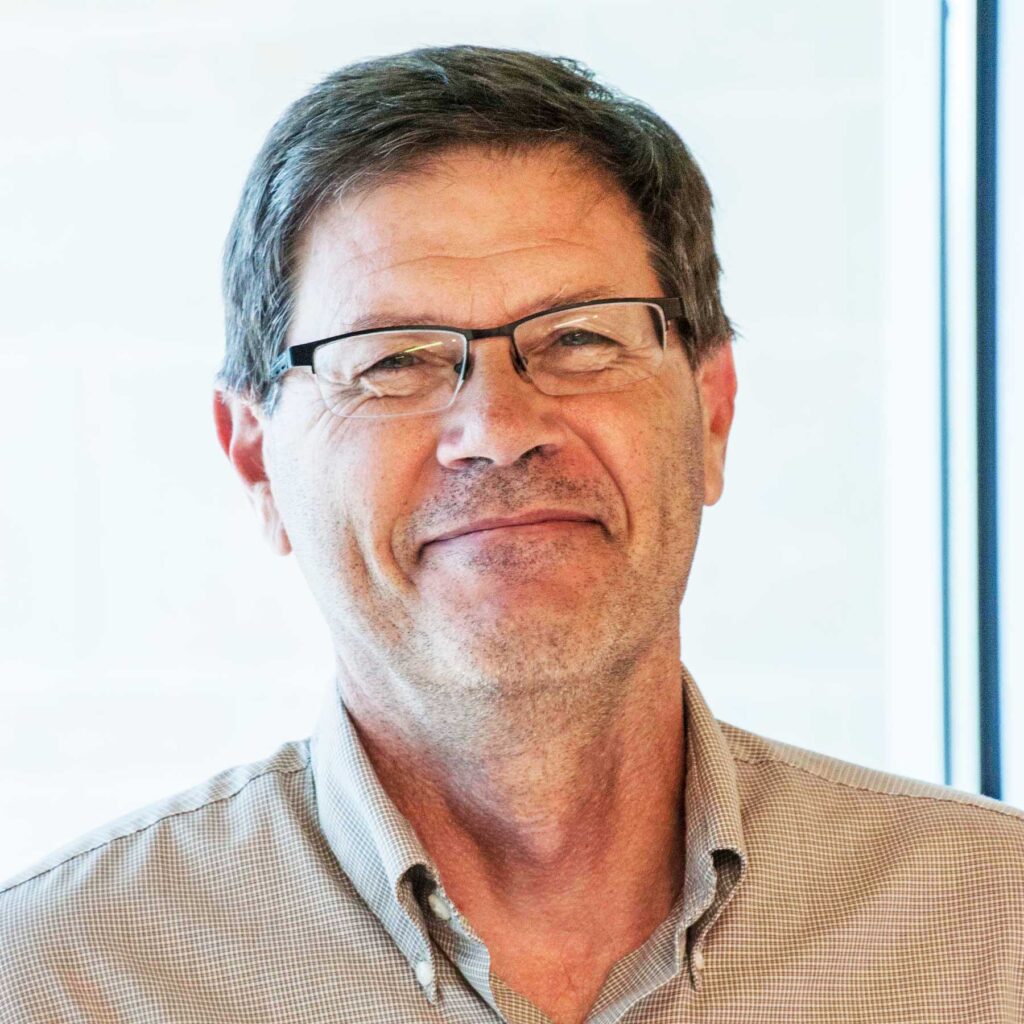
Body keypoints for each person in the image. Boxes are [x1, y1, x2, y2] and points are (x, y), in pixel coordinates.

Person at [1, 45, 1021, 1024]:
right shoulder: (52, 985)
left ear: (712, 413)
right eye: (393, 359)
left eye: (579, 337)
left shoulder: (994, 928)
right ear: (256, 461)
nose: (497, 428)